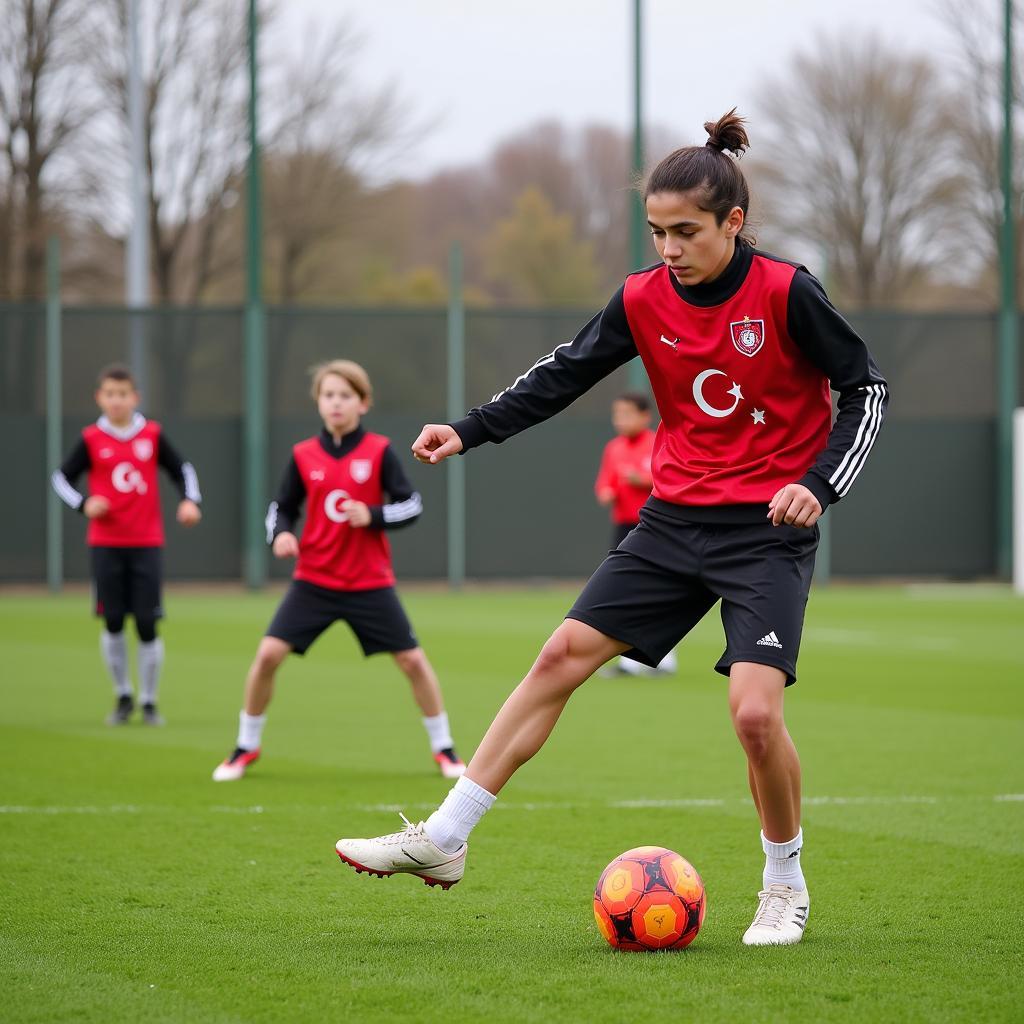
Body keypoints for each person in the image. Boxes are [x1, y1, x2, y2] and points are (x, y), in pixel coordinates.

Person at [335, 111, 889, 944]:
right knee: (559, 657)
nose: (669, 248)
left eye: (687, 232)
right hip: (670, 523)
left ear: (732, 223)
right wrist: (471, 428)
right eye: (658, 231)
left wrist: (819, 485)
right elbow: (562, 375)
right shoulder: (641, 297)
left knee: (753, 717)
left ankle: (784, 883)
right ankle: (443, 839)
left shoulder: (786, 291)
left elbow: (866, 391)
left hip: (765, 531)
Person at [212, 359, 466, 783]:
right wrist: (280, 535)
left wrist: (373, 514)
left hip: (369, 581)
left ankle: (445, 750)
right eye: (328, 395)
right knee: (268, 655)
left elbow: (411, 505)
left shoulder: (380, 451)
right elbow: (282, 508)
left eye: (345, 396)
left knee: (412, 661)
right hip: (314, 580)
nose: (336, 403)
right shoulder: (302, 455)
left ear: (362, 403)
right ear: (319, 403)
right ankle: (244, 747)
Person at [51, 363, 202, 726]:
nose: (116, 401)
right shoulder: (91, 439)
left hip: (146, 541)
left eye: (123, 394)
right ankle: (123, 695)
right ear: (99, 398)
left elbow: (182, 468)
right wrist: (83, 504)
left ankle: (150, 700)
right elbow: (62, 478)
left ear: (135, 398)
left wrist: (189, 500)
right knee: (114, 620)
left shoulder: (151, 435)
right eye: (110, 394)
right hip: (105, 543)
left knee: (148, 622)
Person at [595, 391, 676, 676]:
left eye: (627, 414)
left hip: (656, 525)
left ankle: (660, 658)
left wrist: (640, 480)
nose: (621, 420)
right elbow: (605, 485)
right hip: (624, 526)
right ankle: (632, 660)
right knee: (623, 590)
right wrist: (608, 492)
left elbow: (668, 479)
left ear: (645, 416)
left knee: (661, 590)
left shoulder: (658, 442)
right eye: (617, 414)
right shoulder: (613, 448)